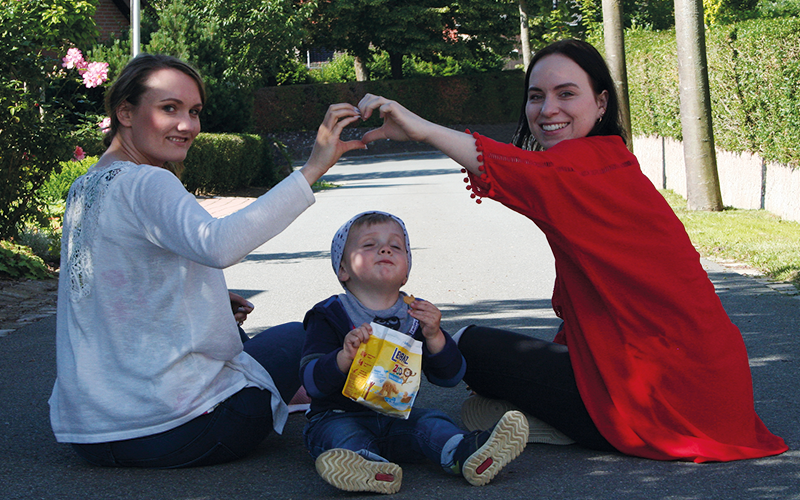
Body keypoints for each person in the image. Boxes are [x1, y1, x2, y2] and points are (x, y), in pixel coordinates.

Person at [355, 39, 788, 463]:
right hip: (717, 391)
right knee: (530, 356)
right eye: (536, 96)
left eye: (567, 94)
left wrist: (423, 129)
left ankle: (379, 414)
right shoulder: (613, 161)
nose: (548, 110)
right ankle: (544, 415)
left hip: (664, 400)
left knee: (465, 344)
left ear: (601, 103)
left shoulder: (580, 169)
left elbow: (513, 168)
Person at [48, 54, 367, 468]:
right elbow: (217, 244)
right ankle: (314, 399)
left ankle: (294, 392)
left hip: (93, 435)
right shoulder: (148, 180)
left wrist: (207, 297)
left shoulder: (85, 185)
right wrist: (313, 167)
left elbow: (113, 287)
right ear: (125, 112)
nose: (187, 125)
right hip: (181, 431)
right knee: (299, 336)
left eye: (194, 111)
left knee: (250, 345)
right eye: (169, 108)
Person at [300, 211, 528, 494]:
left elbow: (450, 376)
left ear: (406, 270)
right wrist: (343, 357)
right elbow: (311, 381)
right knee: (340, 435)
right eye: (369, 245)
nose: (384, 249)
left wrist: (435, 337)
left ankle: (467, 453)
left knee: (432, 422)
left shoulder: (415, 314)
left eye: (395, 246)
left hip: (399, 418)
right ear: (343, 269)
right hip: (338, 415)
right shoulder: (329, 314)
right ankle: (367, 467)